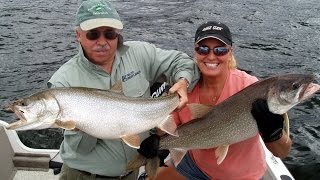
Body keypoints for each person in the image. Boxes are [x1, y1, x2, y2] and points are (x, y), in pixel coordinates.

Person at [47, 0, 199, 179]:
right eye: (93, 34)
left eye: (110, 34)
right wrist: (84, 125)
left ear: (118, 34)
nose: (102, 42)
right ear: (78, 35)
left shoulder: (140, 53)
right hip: (84, 176)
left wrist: (183, 81)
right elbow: (80, 149)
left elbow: (183, 62)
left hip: (131, 174)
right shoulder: (63, 83)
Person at [138, 21, 292, 180]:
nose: (211, 56)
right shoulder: (184, 88)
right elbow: (168, 129)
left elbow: (282, 152)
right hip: (195, 165)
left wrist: (273, 133)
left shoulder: (250, 88)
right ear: (195, 51)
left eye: (220, 50)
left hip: (244, 175)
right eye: (203, 49)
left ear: (230, 52)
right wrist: (157, 142)